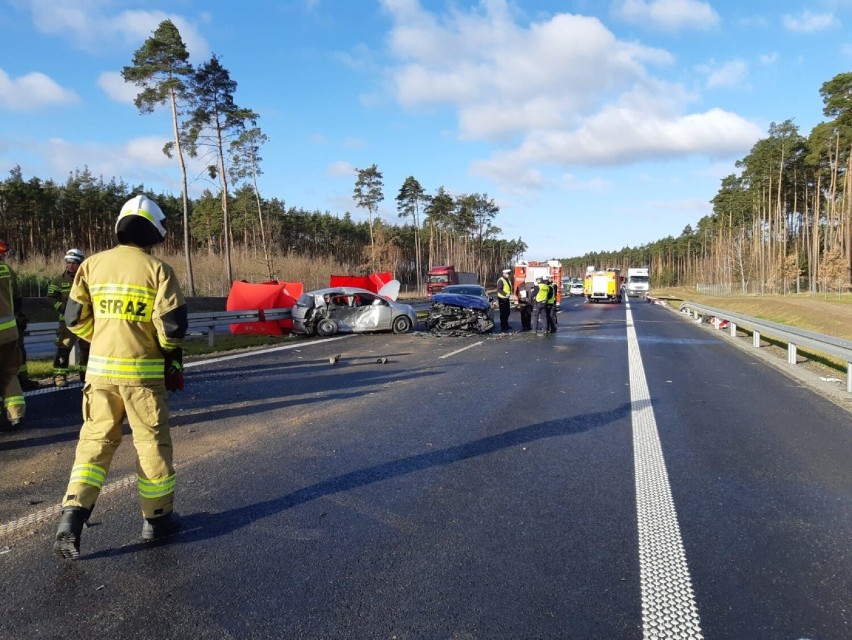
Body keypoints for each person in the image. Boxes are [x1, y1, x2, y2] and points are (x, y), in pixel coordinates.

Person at [53, 195, 188, 560]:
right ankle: (157, 521)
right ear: (154, 232)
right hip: (143, 377)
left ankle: (72, 516)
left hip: (99, 374)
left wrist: (103, 339)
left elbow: (74, 319)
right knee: (150, 445)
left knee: (95, 443)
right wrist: (165, 354)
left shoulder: (91, 266)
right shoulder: (158, 270)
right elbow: (172, 329)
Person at [48, 248, 90, 387]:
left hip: (86, 321)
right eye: (68, 262)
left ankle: (85, 376)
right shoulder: (59, 280)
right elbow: (51, 297)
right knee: (64, 348)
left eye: (74, 262)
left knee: (87, 349)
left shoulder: (88, 279)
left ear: (80, 263)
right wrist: (62, 308)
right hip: (67, 323)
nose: (71, 265)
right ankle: (60, 376)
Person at [0, 239, 26, 428]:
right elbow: (17, 298)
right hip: (9, 332)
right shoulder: (7, 270)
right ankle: (16, 414)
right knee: (10, 373)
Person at [496, 268, 514, 332]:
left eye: (509, 274)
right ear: (504, 274)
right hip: (502, 299)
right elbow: (499, 290)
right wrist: (506, 294)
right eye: (508, 274)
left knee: (507, 312)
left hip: (507, 298)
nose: (509, 275)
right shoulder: (501, 280)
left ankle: (506, 324)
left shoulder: (507, 280)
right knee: (503, 313)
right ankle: (503, 326)